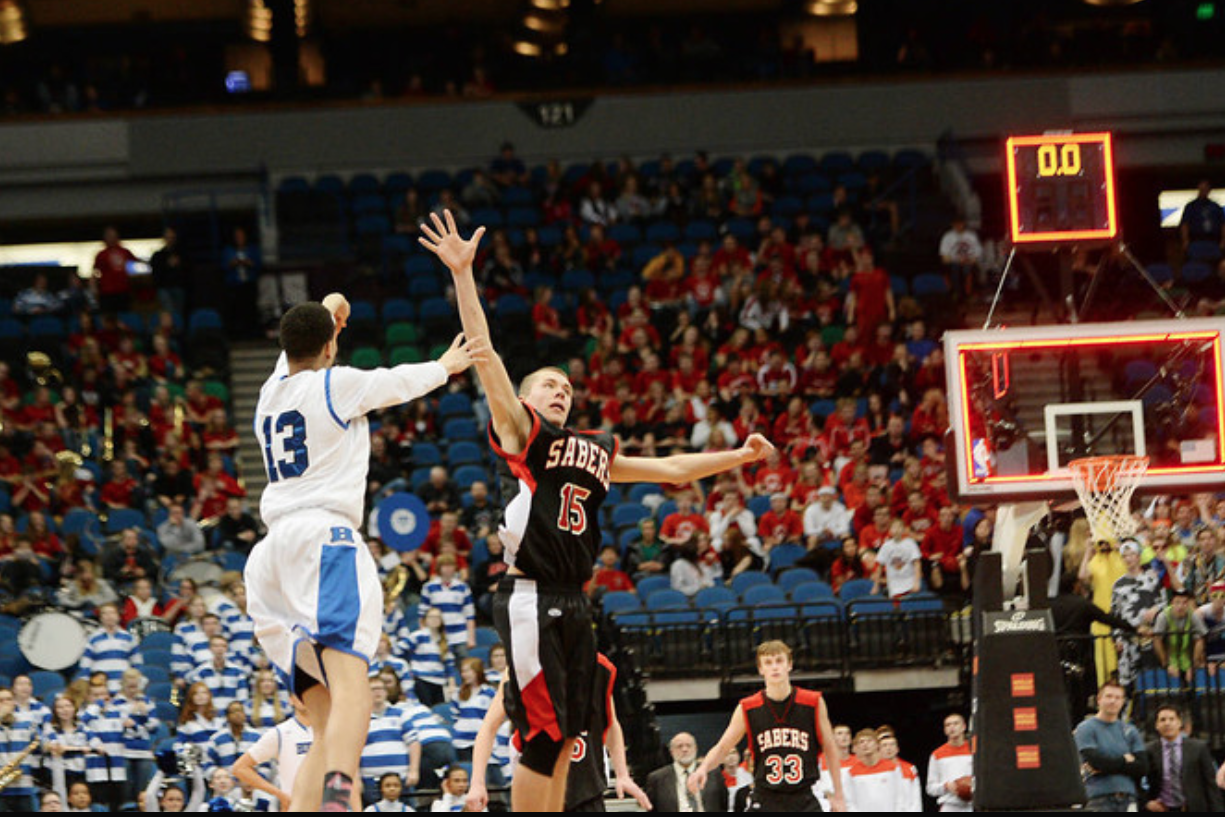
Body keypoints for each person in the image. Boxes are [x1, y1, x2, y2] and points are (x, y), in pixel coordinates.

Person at [420, 209, 775, 812]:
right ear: (527, 399)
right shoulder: (521, 430)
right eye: (549, 386)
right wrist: (462, 276)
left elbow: (669, 469)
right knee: (539, 735)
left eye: (567, 388)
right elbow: (485, 356)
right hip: (530, 593)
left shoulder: (594, 448)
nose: (561, 391)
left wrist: (739, 456)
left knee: (565, 736)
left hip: (573, 599)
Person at [243, 292, 484, 812]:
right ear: (332, 345)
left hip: (270, 561)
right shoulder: (338, 382)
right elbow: (397, 381)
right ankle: (340, 794)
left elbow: (308, 335)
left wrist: (331, 311)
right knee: (353, 681)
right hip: (321, 540)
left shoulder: (269, 391)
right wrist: (447, 364)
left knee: (326, 723)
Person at [467, 653, 650, 813]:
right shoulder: (522, 668)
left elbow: (610, 723)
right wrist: (477, 783)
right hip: (538, 783)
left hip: (585, 785)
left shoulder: (598, 665)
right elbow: (488, 728)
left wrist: (623, 774)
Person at [688, 640, 845, 812]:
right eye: (768, 663)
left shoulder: (812, 701)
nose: (774, 667)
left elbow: (830, 748)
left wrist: (838, 794)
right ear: (761, 669)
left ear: (789, 665)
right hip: (766, 796)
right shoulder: (748, 707)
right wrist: (703, 768)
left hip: (805, 795)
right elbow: (723, 746)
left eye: (779, 661)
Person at [1073, 680, 1149, 812]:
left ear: (1123, 702)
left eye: (1118, 697)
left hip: (1128, 798)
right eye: (1109, 696)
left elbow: (1142, 767)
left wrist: (1108, 764)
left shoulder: (1130, 730)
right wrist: (1125, 759)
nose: (1113, 701)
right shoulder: (1085, 728)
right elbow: (1096, 762)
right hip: (1098, 799)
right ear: (1099, 699)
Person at [232, 696, 314, 812]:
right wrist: (279, 794)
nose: (304, 697)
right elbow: (240, 768)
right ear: (291, 699)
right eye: (298, 692)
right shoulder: (280, 733)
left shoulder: (331, 728)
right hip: (296, 807)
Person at [1141, 701, 1222, 811]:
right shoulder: (1148, 750)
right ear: (1156, 725)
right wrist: (1146, 803)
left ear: (1179, 723)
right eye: (1162, 720)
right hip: (1162, 808)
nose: (1167, 723)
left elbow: (1210, 785)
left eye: (1172, 719)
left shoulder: (1198, 748)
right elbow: (1138, 781)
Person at [1152, 587, 1207, 686]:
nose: (1181, 606)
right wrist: (1166, 664)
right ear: (1172, 603)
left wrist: (1194, 665)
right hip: (1169, 659)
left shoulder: (1193, 616)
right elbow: (1157, 640)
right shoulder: (1163, 616)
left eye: (1184, 603)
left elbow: (1200, 640)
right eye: (1177, 602)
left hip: (1187, 660)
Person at [843, 729, 908, 812]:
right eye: (861, 742)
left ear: (877, 745)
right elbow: (849, 802)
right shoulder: (851, 773)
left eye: (869, 741)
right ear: (857, 747)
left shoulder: (893, 768)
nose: (865, 744)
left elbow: (901, 796)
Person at [925, 711, 973, 812]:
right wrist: (946, 786)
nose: (952, 727)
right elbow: (930, 788)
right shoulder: (937, 754)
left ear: (964, 726)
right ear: (945, 730)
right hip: (949, 806)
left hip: (971, 805)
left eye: (956, 723)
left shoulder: (975, 751)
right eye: (948, 725)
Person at [876, 727, 922, 812]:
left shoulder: (910, 768)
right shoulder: (874, 771)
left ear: (897, 748)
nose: (888, 748)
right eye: (884, 745)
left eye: (891, 745)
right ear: (878, 749)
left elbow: (916, 798)